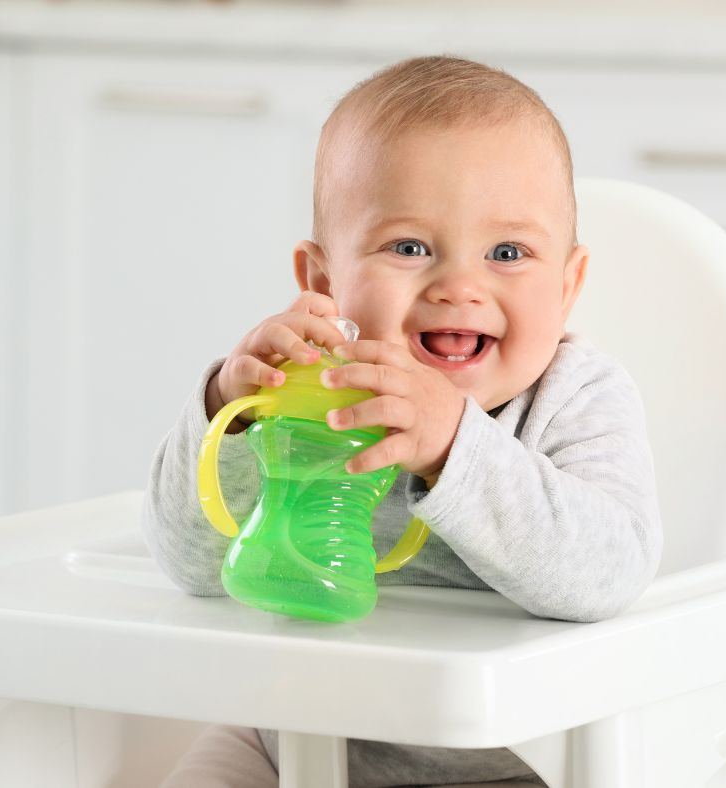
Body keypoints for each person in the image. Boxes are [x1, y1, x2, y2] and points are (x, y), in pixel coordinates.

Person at [142, 54, 662, 788]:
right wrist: (232, 413)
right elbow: (188, 567)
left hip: (509, 763)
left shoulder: (578, 397)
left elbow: (611, 572)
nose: (459, 286)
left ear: (568, 284)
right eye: (410, 247)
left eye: (508, 252)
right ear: (324, 282)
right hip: (294, 736)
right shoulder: (308, 387)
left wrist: (455, 446)